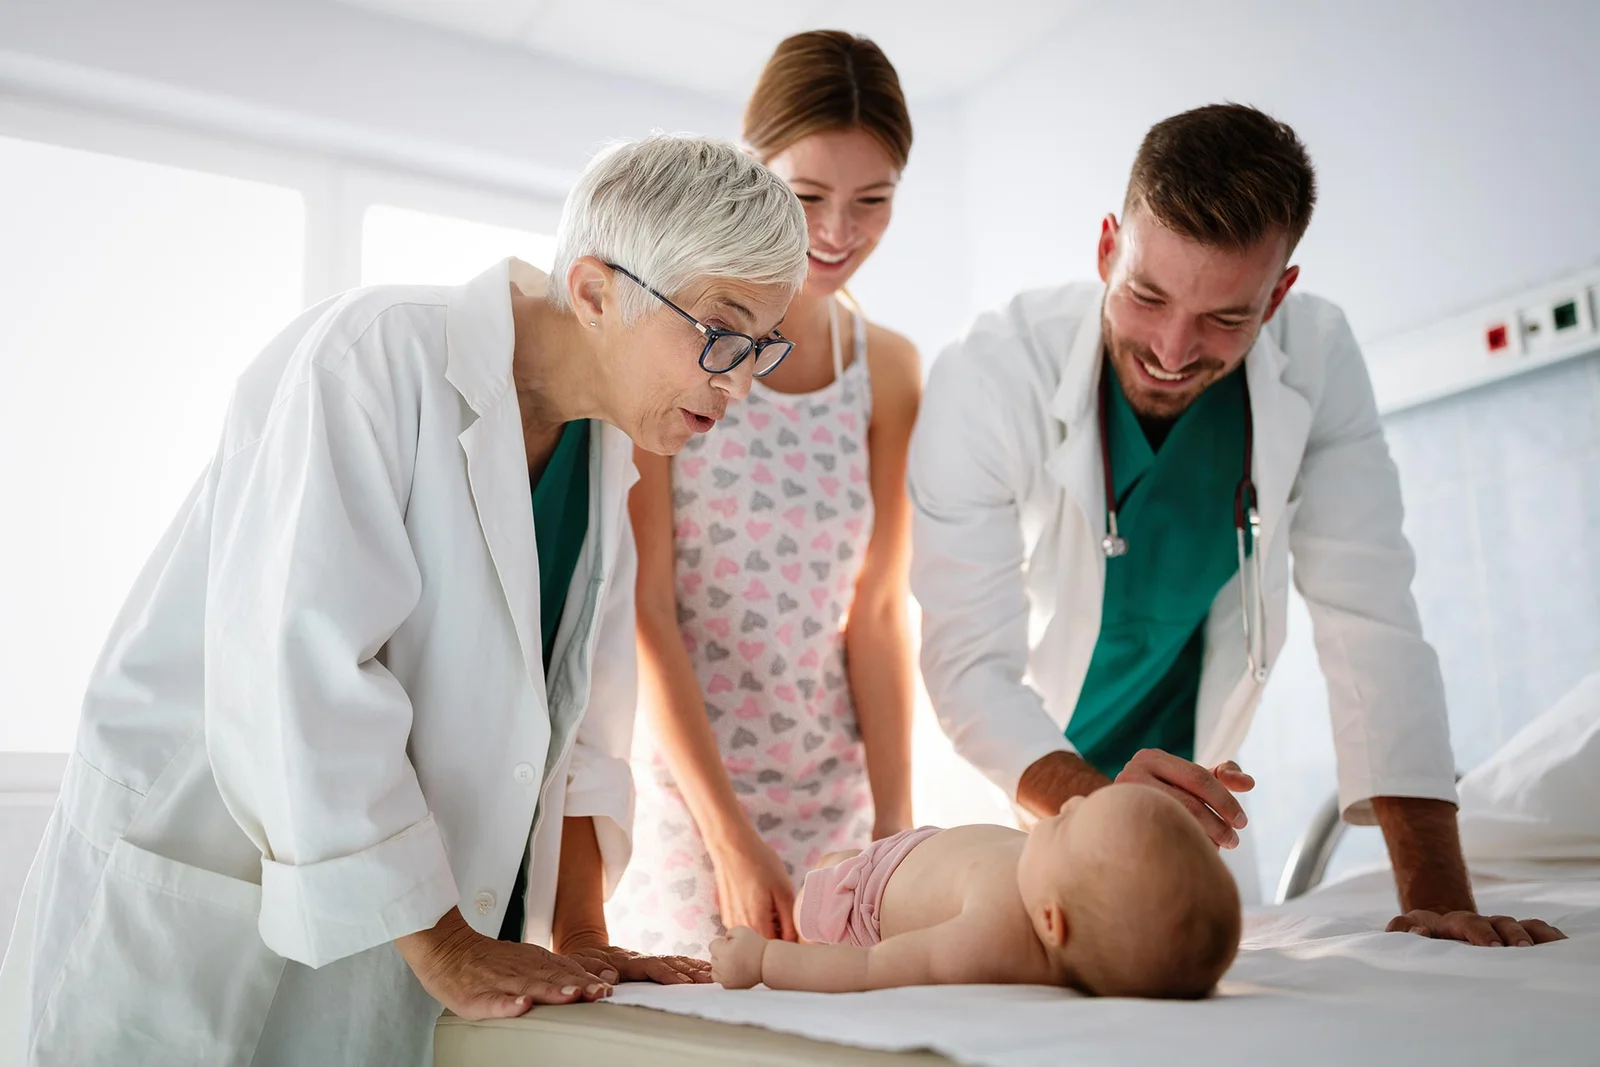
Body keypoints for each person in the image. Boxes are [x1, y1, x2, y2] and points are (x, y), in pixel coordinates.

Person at [2, 133, 809, 1066]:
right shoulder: (373, 357)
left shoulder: (607, 455)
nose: (741, 380)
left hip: (398, 946)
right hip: (204, 900)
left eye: (761, 345)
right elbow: (299, 671)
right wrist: (445, 943)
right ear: (595, 291)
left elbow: (576, 732)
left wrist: (581, 934)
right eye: (720, 330)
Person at [908, 104, 1563, 946]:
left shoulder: (1318, 357)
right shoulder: (993, 373)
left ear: (1280, 294)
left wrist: (1439, 895)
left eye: (1226, 318)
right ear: (1108, 246)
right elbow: (968, 663)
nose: (1174, 352)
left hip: (1190, 811)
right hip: (1016, 790)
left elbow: (1372, 621)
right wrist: (1103, 811)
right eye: (1147, 295)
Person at [607, 30, 922, 958]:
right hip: (690, 802)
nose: (837, 232)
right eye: (808, 195)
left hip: (835, 796)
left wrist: (897, 831)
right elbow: (647, 608)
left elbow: (875, 614)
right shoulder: (676, 340)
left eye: (873, 201)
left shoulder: (890, 370)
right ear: (752, 172)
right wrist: (728, 836)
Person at [710, 783, 1240, 998]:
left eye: (1065, 826)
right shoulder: (1055, 888)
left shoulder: (988, 938)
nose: (1073, 802)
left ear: (1051, 921)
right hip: (918, 848)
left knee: (822, 880)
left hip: (858, 897)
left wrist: (762, 962)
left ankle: (813, 908)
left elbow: (872, 970)